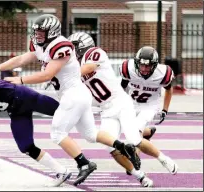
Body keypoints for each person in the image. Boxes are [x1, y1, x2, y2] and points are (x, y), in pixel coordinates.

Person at [0, 14, 141, 186]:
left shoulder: (62, 46)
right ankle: (123, 146)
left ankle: (84, 163)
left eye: (42, 32)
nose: (38, 36)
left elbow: (47, 74)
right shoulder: (40, 44)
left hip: (72, 94)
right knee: (90, 134)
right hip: (79, 95)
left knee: (57, 133)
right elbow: (22, 58)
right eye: (37, 32)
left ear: (53, 31)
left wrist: (21, 80)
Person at [67, 32, 178, 185]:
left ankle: (163, 158)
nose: (70, 52)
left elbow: (88, 68)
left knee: (133, 139)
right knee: (108, 146)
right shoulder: (76, 67)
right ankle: (140, 176)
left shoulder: (95, 54)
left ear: (83, 46)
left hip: (122, 102)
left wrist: (65, 75)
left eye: (73, 48)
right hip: (106, 108)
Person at [0, 69, 71, 186]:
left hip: (22, 95)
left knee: (67, 112)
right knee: (26, 147)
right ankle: (62, 171)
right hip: (15, 110)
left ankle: (82, 161)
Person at [119, 46, 177, 171]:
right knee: (125, 128)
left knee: (134, 134)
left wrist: (165, 110)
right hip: (131, 103)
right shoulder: (128, 69)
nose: (144, 69)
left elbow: (169, 89)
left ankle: (135, 161)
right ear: (136, 63)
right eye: (142, 65)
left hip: (150, 105)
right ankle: (148, 132)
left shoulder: (163, 73)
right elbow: (121, 87)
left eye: (148, 66)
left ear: (154, 65)